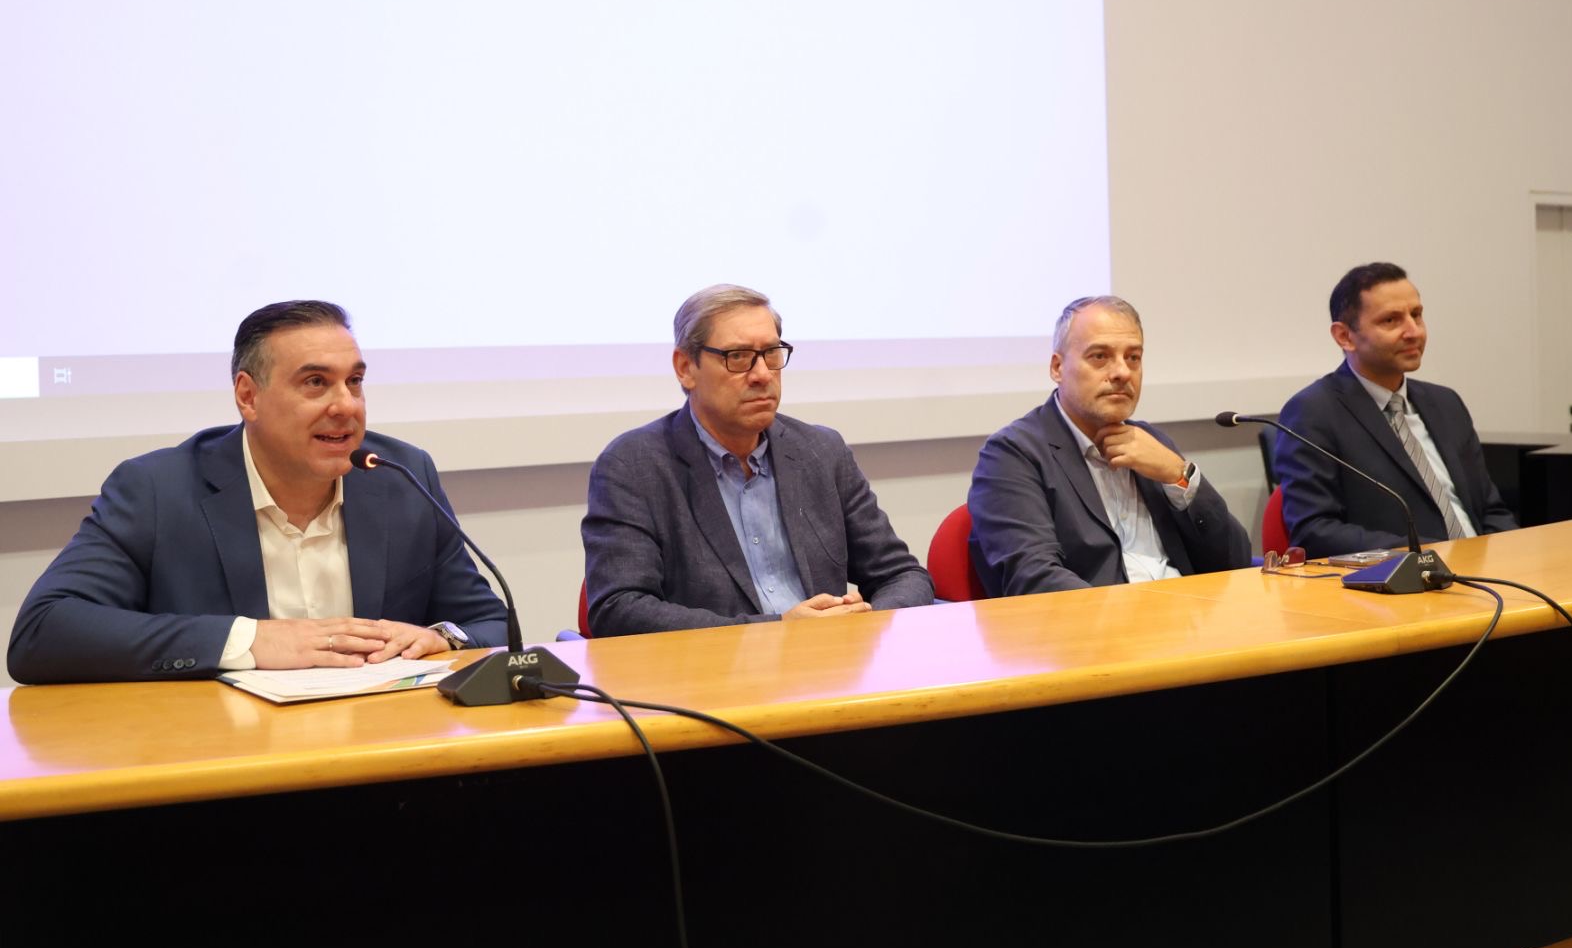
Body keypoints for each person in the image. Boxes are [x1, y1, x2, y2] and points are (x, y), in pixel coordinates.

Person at [8, 300, 507, 684]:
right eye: (316, 382)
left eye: (354, 382)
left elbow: (492, 623)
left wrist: (439, 638)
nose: (346, 406)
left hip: (379, 750)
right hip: (223, 758)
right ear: (248, 396)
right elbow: (42, 634)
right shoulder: (159, 489)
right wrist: (249, 640)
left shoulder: (400, 476)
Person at [581, 284, 933, 636]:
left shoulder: (822, 452)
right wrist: (778, 631)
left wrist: (863, 621)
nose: (763, 374)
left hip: (831, 660)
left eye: (771, 354)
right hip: (716, 667)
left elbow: (902, 575)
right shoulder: (632, 467)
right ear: (685, 367)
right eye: (738, 357)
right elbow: (619, 610)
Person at [968, 295, 1251, 596]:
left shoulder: (1152, 443)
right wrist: (1138, 614)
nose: (1122, 372)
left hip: (1190, 614)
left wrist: (1179, 475)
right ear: (1057, 367)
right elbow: (1034, 579)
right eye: (1100, 356)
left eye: (1133, 357)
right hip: (1102, 622)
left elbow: (1235, 561)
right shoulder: (1013, 454)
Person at [1274, 262, 1516, 557]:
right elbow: (1315, 531)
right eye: (1391, 320)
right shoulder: (1313, 413)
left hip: (1490, 569)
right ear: (1345, 336)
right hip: (1407, 576)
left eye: (1417, 315)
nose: (1413, 332)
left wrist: (1511, 555)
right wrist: (1426, 554)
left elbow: (1491, 509)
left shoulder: (1445, 403)